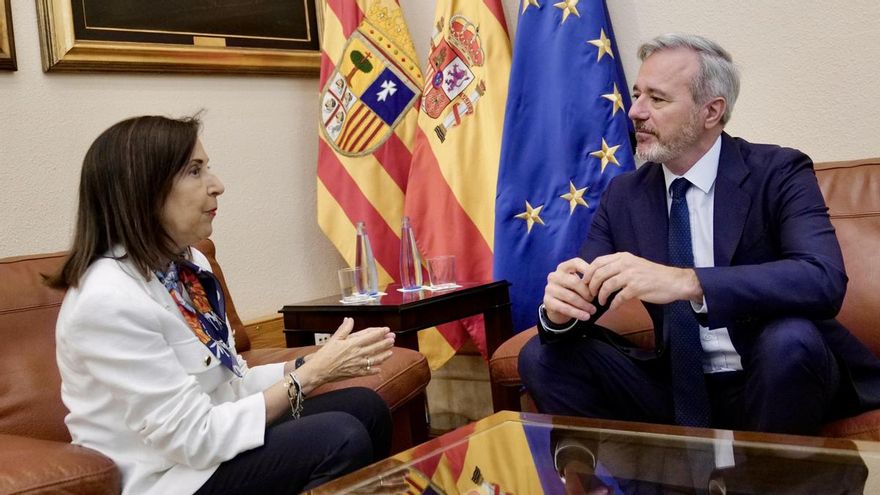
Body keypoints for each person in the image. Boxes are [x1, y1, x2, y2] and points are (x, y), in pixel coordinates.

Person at [519, 33, 880, 435]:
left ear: (711, 111)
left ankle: (761, 469)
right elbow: (587, 290)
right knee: (542, 357)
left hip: (771, 375)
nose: (635, 111)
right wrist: (560, 311)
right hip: (677, 386)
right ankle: (629, 471)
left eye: (657, 99)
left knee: (789, 340)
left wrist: (688, 281)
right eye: (637, 95)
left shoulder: (778, 171)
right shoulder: (625, 195)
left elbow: (822, 279)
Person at [49, 115, 396, 494]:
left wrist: (311, 363)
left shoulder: (189, 266)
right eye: (195, 171)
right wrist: (309, 377)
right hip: (167, 478)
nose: (217, 185)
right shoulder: (106, 300)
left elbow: (232, 383)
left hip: (211, 447)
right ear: (144, 189)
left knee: (366, 408)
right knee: (339, 436)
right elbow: (193, 437)